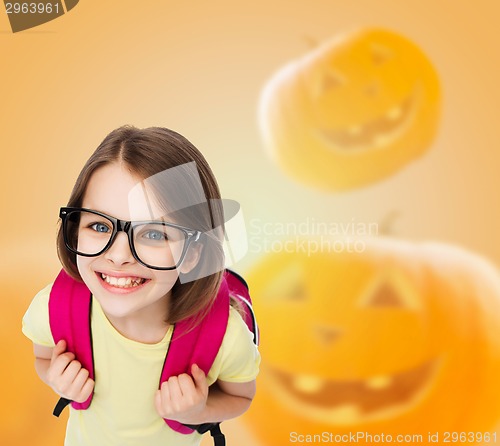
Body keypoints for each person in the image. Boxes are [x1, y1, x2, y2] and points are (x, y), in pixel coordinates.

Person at [22, 125, 260, 446]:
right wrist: (56, 379)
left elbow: (241, 397)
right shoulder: (52, 309)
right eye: (99, 225)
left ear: (194, 253)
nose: (118, 256)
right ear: (76, 229)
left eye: (153, 233)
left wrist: (199, 410)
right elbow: (43, 358)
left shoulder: (227, 337)